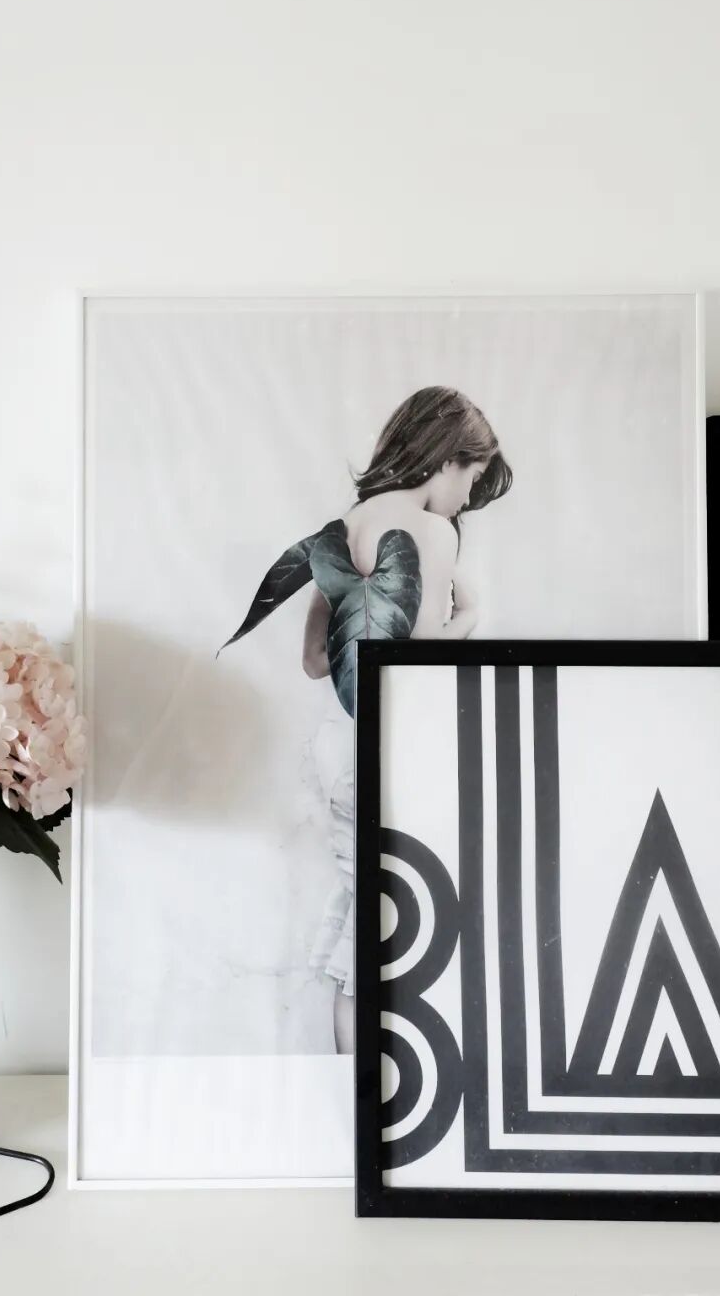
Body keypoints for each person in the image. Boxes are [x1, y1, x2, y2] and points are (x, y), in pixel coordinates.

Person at [302, 387, 512, 1053]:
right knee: (383, 927)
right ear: (447, 459)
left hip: (335, 749)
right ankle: (366, 1085)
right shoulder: (432, 532)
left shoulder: (347, 524)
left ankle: (347, 1079)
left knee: (357, 910)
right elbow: (413, 669)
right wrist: (468, 618)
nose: (467, 498)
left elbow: (315, 660)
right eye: (471, 478)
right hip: (385, 752)